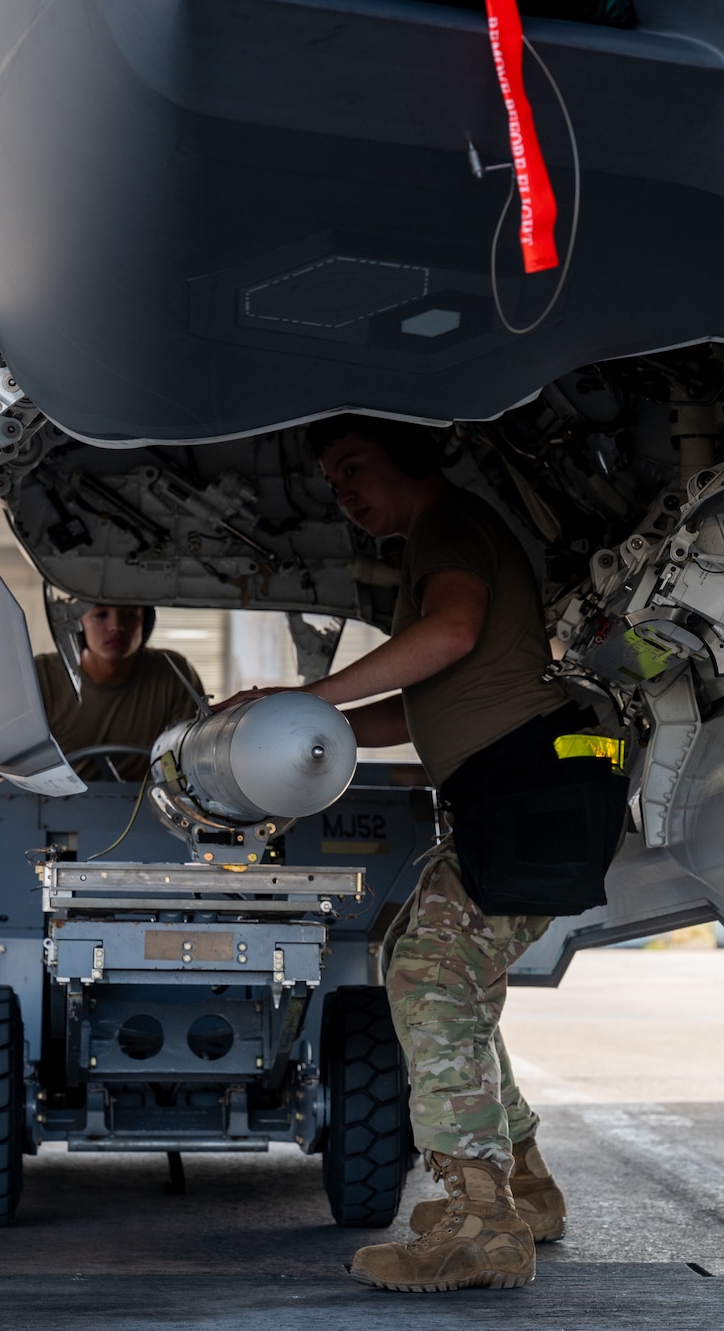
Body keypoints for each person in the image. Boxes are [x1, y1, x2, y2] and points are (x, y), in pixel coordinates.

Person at [219, 415, 624, 1293]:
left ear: (410, 457)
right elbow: (422, 707)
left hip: (527, 790)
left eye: (355, 467)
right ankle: (521, 1184)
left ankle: (480, 1222)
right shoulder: (440, 538)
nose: (345, 492)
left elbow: (450, 635)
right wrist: (315, 729)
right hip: (515, 794)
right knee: (436, 968)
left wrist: (301, 696)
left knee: (431, 975)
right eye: (333, 480)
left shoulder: (450, 526)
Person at [33, 603, 207, 781]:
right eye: (101, 615)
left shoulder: (173, 673)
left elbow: (192, 754)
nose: (116, 626)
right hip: (54, 803)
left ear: (145, 623)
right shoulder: (40, 675)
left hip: (146, 803)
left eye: (130, 615)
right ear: (77, 624)